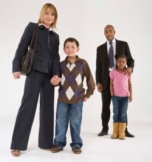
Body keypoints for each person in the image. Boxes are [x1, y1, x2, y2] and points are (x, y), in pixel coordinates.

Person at [10, 3, 61, 157]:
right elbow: (22, 46)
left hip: (49, 76)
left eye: (52, 14)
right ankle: (17, 145)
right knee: (27, 106)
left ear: (55, 18)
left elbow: (56, 57)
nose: (49, 17)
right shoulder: (33, 28)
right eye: (47, 13)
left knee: (47, 108)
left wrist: (57, 75)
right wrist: (16, 67)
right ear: (42, 14)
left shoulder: (55, 36)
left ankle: (46, 143)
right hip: (34, 72)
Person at [50, 38, 95, 154]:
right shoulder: (60, 65)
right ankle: (58, 143)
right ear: (64, 49)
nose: (70, 49)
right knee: (60, 121)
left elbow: (90, 81)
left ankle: (76, 144)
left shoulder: (83, 63)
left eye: (73, 47)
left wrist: (88, 95)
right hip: (62, 99)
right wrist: (54, 81)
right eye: (67, 47)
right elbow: (57, 81)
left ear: (78, 49)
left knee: (76, 122)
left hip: (77, 99)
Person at [96, 25, 135, 137]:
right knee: (105, 105)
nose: (108, 34)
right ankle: (104, 128)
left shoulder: (123, 44)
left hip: (121, 80)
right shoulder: (100, 48)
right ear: (104, 33)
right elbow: (98, 67)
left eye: (110, 31)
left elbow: (131, 60)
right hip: (106, 80)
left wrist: (130, 68)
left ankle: (124, 129)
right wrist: (98, 82)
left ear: (114, 32)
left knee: (122, 105)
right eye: (106, 32)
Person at [110, 55, 133, 140]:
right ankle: (115, 132)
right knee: (116, 113)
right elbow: (111, 84)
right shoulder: (113, 72)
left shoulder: (127, 73)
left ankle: (121, 133)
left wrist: (131, 95)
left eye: (123, 62)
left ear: (126, 63)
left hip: (125, 97)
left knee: (123, 114)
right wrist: (112, 94)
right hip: (115, 96)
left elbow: (130, 84)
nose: (121, 63)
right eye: (119, 61)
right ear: (116, 62)